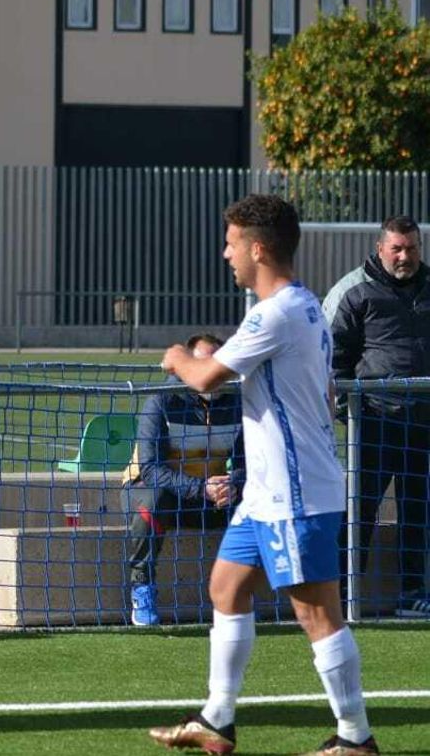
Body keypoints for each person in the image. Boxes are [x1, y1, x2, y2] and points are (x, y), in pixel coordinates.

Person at [150, 194, 378, 756]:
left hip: (294, 493)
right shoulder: (305, 308)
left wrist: (178, 357)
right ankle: (217, 720)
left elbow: (204, 378)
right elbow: (323, 396)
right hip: (268, 491)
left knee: (317, 613)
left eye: (230, 243)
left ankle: (355, 738)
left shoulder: (274, 312)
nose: (224, 254)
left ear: (257, 248)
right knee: (225, 587)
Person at [323, 215, 430, 618]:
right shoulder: (356, 293)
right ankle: (342, 594)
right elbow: (335, 358)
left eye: (412, 248)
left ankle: (412, 593)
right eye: (397, 249)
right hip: (373, 421)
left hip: (422, 422)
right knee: (358, 508)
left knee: (417, 510)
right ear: (380, 249)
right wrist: (344, 410)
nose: (405, 256)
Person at [122, 333, 244, 627]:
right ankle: (142, 588)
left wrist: (235, 483)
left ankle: (248, 592)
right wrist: (200, 488)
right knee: (153, 500)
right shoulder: (162, 400)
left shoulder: (239, 401)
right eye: (203, 364)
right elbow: (150, 468)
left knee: (264, 498)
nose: (210, 373)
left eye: (218, 363)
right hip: (160, 493)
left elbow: (252, 461)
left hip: (212, 497)